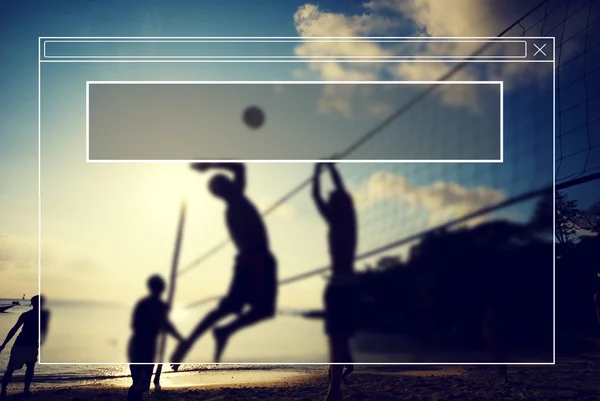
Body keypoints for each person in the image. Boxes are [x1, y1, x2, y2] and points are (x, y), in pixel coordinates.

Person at [171, 162, 277, 367]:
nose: (231, 182)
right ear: (223, 191)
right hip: (254, 261)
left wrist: (209, 165)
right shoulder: (235, 202)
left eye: (227, 182)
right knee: (232, 308)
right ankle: (192, 342)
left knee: (258, 310)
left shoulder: (235, 202)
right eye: (225, 183)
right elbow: (239, 168)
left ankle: (222, 332)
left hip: (259, 260)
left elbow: (239, 168)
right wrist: (209, 166)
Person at [312, 162, 358, 401]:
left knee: (336, 337)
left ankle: (335, 389)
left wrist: (325, 171)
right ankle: (341, 371)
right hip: (338, 285)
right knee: (336, 337)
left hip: (344, 285)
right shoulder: (338, 221)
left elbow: (326, 193)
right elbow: (316, 196)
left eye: (334, 199)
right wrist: (322, 171)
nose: (330, 202)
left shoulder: (346, 221)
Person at [127, 275, 183, 401]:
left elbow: (167, 325)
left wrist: (179, 338)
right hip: (139, 346)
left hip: (149, 348)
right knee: (139, 383)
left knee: (143, 384)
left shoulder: (160, 306)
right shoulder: (145, 304)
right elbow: (136, 325)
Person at [0, 295, 50, 399]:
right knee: (28, 368)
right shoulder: (44, 316)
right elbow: (44, 332)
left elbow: (14, 330)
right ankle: (24, 390)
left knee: (12, 369)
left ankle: (4, 391)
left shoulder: (26, 315)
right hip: (29, 345)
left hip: (22, 344)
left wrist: (4, 344)